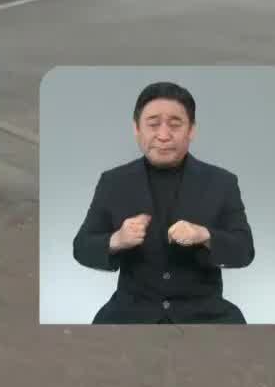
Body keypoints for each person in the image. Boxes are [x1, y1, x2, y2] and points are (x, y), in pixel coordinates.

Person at [73, 81, 254, 324]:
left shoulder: (222, 182)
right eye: (153, 124)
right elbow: (81, 246)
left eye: (175, 124)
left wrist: (205, 235)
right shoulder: (113, 182)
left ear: (191, 130)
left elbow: (245, 250)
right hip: (130, 312)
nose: (163, 135)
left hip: (204, 312)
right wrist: (118, 239)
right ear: (137, 129)